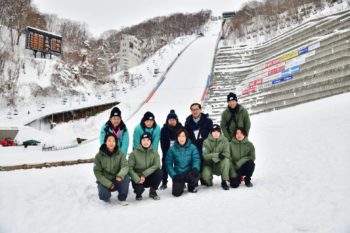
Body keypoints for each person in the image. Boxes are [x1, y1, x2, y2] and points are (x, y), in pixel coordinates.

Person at [93, 133, 130, 205]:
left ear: (116, 143)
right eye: (109, 140)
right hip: (105, 180)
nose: (111, 143)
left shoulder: (120, 154)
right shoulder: (99, 156)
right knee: (104, 196)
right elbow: (97, 172)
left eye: (113, 141)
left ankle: (122, 198)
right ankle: (106, 196)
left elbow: (125, 166)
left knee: (126, 177)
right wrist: (109, 184)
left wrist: (120, 175)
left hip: (117, 179)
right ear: (105, 142)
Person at [166, 128, 201, 197]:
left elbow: (196, 160)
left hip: (189, 172)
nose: (181, 138)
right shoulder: (172, 149)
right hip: (178, 174)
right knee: (176, 193)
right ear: (177, 137)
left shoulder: (192, 147)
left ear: (186, 137)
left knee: (196, 174)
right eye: (179, 136)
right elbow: (168, 164)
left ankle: (191, 187)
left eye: (183, 136)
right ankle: (181, 185)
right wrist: (174, 175)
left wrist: (195, 168)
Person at [128, 132, 162, 200]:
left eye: (148, 140)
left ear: (150, 142)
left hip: (149, 177)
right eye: (144, 140)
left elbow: (157, 165)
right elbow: (129, 168)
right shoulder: (134, 154)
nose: (146, 142)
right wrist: (137, 179)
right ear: (141, 141)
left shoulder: (154, 153)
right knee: (138, 189)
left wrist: (144, 174)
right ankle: (138, 193)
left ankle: (153, 191)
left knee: (159, 172)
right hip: (138, 178)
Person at [201, 124, 233, 190]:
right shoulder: (206, 142)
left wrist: (214, 157)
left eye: (217, 132)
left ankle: (224, 181)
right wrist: (218, 155)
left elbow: (227, 154)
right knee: (206, 176)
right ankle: (209, 182)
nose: (215, 133)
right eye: (214, 132)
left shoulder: (225, 140)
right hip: (209, 164)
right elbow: (205, 156)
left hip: (220, 164)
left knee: (226, 160)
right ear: (211, 132)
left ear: (220, 132)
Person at [160, 109, 183, 189]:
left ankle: (182, 181)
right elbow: (162, 143)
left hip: (179, 151)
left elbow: (184, 141)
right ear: (167, 121)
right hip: (168, 151)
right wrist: (167, 153)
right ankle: (164, 182)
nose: (172, 121)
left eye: (173, 120)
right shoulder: (164, 130)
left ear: (176, 120)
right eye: (170, 120)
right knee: (165, 164)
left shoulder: (181, 128)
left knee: (181, 164)